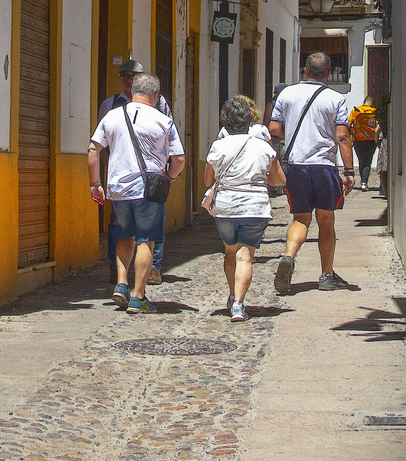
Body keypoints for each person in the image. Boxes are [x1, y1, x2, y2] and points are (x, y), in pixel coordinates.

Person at [88, 73, 184, 314]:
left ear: (132, 92)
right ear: (156, 95)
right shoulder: (164, 121)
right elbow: (179, 159)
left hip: (119, 190)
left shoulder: (112, 115)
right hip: (149, 190)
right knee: (146, 240)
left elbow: (93, 149)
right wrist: (170, 177)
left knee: (125, 236)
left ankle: (121, 284)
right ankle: (138, 296)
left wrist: (95, 183)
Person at [269, 53, 355, 293]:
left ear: (304, 72)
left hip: (296, 165)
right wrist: (349, 171)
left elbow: (274, 128)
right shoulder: (336, 99)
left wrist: (299, 134)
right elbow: (342, 137)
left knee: (300, 219)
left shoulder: (287, 94)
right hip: (324, 166)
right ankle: (326, 275)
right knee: (326, 222)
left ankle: (288, 256)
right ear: (328, 74)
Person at [205, 95, 285, 322]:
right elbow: (279, 180)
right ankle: (239, 304)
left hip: (226, 208)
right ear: (249, 120)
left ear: (224, 121)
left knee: (230, 252)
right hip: (255, 208)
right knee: (245, 256)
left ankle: (232, 295)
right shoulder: (263, 147)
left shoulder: (218, 146)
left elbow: (208, 181)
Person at [97, 59, 172, 283]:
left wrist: (164, 172)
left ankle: (154, 268)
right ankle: (116, 268)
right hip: (121, 177)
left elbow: (168, 136)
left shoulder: (159, 103)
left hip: (152, 178)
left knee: (153, 228)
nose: (128, 80)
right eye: (124, 76)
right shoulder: (110, 105)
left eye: (133, 76)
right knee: (118, 227)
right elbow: (100, 143)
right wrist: (111, 165)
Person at [348, 97, 381, 191]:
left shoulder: (356, 110)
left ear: (363, 102)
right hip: (371, 140)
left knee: (361, 160)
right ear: (372, 103)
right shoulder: (375, 111)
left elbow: (349, 125)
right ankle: (364, 183)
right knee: (368, 161)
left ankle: (363, 182)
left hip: (358, 139)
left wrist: (350, 135)